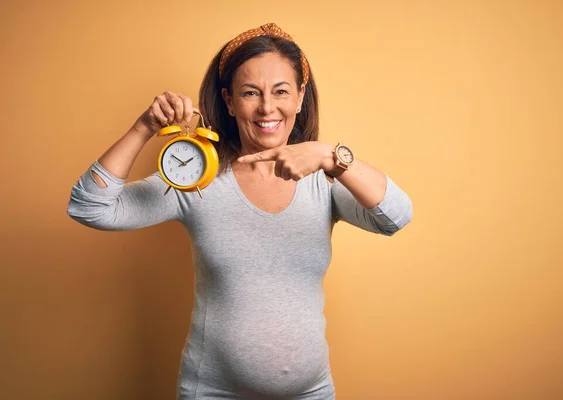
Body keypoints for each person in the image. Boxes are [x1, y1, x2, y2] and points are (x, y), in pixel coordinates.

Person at [67, 22, 412, 400]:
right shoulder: (196, 177)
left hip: (311, 393)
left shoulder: (324, 179)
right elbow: (90, 207)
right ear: (229, 101)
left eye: (281, 91)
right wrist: (143, 127)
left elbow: (395, 216)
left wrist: (331, 157)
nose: (267, 107)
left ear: (300, 98)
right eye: (251, 93)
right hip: (212, 391)